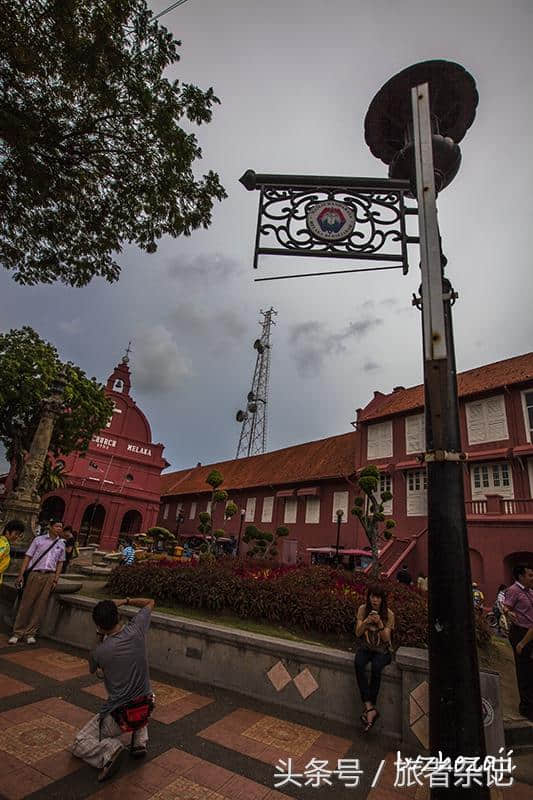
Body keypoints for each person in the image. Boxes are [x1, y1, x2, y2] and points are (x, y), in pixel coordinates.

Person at [71, 596, 155, 781]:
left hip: (120, 716)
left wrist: (99, 634)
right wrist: (125, 601)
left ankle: (110, 750)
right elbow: (150, 602)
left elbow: (93, 668)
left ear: (99, 626)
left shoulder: (100, 651)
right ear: (118, 617)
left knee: (79, 743)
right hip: (146, 705)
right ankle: (140, 740)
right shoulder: (137, 629)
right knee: (144, 691)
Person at [8, 519, 66, 645]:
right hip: (35, 573)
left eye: (61, 527)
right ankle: (17, 632)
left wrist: (56, 578)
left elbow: (60, 562)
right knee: (26, 603)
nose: (59, 529)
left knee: (40, 605)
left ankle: (30, 633)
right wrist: (21, 574)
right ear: (50, 527)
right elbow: (28, 557)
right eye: (57, 526)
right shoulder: (38, 540)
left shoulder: (61, 544)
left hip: (49, 576)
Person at [354, 585, 395, 732]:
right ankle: (370, 708)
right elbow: (358, 633)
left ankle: (370, 710)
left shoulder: (389, 614)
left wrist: (379, 623)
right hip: (366, 648)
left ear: (382, 599)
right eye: (372, 597)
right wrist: (365, 622)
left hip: (382, 651)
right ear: (369, 597)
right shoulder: (362, 609)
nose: (375, 600)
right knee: (358, 663)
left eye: (378, 597)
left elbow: (386, 638)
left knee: (377, 668)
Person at [504, 564, 533, 721]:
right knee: (524, 671)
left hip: (530, 633)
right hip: (521, 633)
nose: (532, 578)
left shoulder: (530, 592)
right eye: (530, 575)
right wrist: (510, 614)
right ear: (521, 576)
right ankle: (527, 707)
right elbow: (505, 607)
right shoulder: (514, 591)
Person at [0, 520, 25, 585]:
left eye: (19, 534)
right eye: (16, 533)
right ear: (7, 532)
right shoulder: (4, 544)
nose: (17, 536)